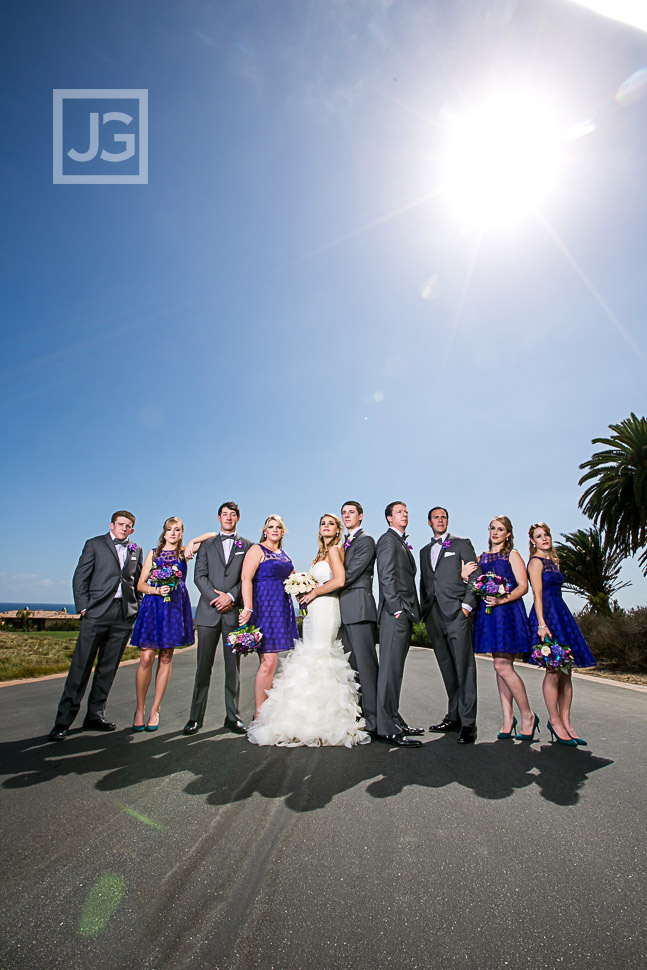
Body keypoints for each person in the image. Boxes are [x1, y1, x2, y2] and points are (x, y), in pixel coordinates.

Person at [248, 513, 369, 747]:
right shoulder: (320, 554)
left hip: (327, 609)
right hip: (313, 611)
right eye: (322, 523)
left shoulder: (334, 550)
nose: (326, 527)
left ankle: (326, 719)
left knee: (321, 656)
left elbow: (340, 580)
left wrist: (313, 592)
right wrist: (304, 592)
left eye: (331, 524)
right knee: (309, 657)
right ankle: (304, 716)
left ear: (337, 530)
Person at [48, 511, 143, 741]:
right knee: (80, 668)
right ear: (112, 525)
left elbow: (138, 581)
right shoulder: (94, 544)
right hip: (96, 613)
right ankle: (63, 721)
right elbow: (80, 577)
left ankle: (95, 715)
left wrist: (136, 608)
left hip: (123, 616)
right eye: (120, 524)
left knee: (107, 669)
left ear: (132, 529)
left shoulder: (136, 550)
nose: (124, 528)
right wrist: (83, 608)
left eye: (128, 526)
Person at [183, 502, 253, 736]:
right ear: (219, 517)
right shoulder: (206, 545)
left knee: (233, 669)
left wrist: (231, 597)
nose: (228, 518)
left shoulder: (248, 546)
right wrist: (217, 598)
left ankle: (233, 718)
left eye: (233, 515)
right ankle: (195, 718)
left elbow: (246, 578)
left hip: (233, 614)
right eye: (225, 514)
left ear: (238, 518)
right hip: (208, 613)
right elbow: (199, 576)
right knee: (203, 667)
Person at [467, 516, 537, 741]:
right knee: (500, 667)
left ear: (508, 534)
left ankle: (528, 715)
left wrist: (501, 599)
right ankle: (508, 718)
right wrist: (465, 576)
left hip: (507, 613)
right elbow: (473, 583)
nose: (495, 532)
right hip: (489, 615)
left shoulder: (512, 555)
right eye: (492, 528)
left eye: (500, 529)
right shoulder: (481, 557)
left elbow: (523, 587)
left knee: (502, 665)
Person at [528, 522, 597, 746]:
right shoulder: (536, 562)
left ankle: (567, 722)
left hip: (561, 613)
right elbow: (537, 595)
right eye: (539, 536)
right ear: (533, 541)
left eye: (546, 534)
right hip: (546, 616)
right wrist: (541, 624)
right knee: (554, 670)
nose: (544, 538)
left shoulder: (554, 562)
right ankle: (554, 721)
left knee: (567, 671)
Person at [419, 506, 478, 744]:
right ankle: (453, 717)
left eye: (443, 517)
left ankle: (468, 724)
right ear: (429, 522)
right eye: (436, 517)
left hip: (457, 614)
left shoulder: (462, 544)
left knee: (464, 668)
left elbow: (475, 576)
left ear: (447, 521)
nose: (440, 520)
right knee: (447, 669)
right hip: (433, 616)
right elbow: (425, 582)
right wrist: (424, 612)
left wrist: (466, 606)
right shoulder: (424, 551)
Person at [131, 517, 194, 732]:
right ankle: (140, 708)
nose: (173, 533)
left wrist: (192, 544)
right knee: (147, 657)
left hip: (174, 606)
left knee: (166, 656)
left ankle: (155, 709)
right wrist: (157, 590)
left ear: (181, 533)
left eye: (177, 530)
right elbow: (140, 584)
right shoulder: (153, 554)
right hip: (153, 606)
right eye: (169, 529)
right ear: (164, 532)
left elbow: (212, 536)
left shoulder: (184, 554)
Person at [240, 515, 299, 721]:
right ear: (265, 531)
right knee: (268, 661)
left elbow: (293, 577)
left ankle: (268, 711)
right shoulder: (257, 549)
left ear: (283, 532)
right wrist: (248, 608)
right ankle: (259, 715)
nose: (274, 530)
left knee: (273, 663)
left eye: (278, 527)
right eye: (270, 527)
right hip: (264, 607)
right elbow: (246, 578)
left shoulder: (283, 554)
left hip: (281, 609)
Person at [375, 501, 423, 747]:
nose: (404, 514)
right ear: (388, 518)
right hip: (395, 615)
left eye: (406, 511)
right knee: (389, 672)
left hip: (404, 615)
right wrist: (396, 610)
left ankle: (394, 718)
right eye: (399, 512)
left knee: (396, 672)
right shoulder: (387, 540)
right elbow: (386, 576)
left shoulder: (401, 542)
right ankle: (386, 728)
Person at [338, 501, 379, 735]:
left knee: (366, 667)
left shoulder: (366, 540)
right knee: (351, 667)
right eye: (344, 513)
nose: (346, 516)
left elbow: (350, 574)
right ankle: (359, 714)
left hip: (360, 608)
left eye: (351, 512)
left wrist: (322, 587)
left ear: (361, 516)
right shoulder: (342, 542)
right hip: (343, 611)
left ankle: (374, 720)